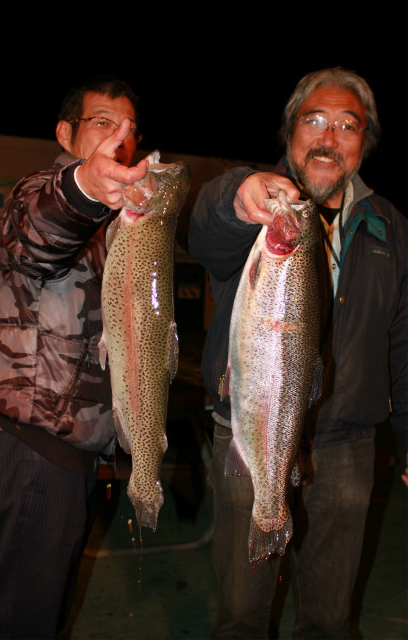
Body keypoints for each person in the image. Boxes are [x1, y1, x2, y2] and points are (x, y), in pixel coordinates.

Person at [188, 67, 407, 639]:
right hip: (247, 429)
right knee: (240, 617)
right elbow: (204, 233)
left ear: (364, 144)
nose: (328, 137)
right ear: (289, 133)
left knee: (331, 621)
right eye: (314, 120)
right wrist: (238, 196)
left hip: (348, 447)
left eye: (347, 126)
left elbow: (404, 346)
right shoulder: (258, 208)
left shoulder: (391, 228)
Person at [0, 75, 148, 639]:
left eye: (128, 132)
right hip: (35, 449)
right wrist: (82, 188)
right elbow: (39, 231)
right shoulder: (46, 191)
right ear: (65, 132)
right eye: (102, 122)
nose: (117, 140)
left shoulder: (118, 223)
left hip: (69, 455)